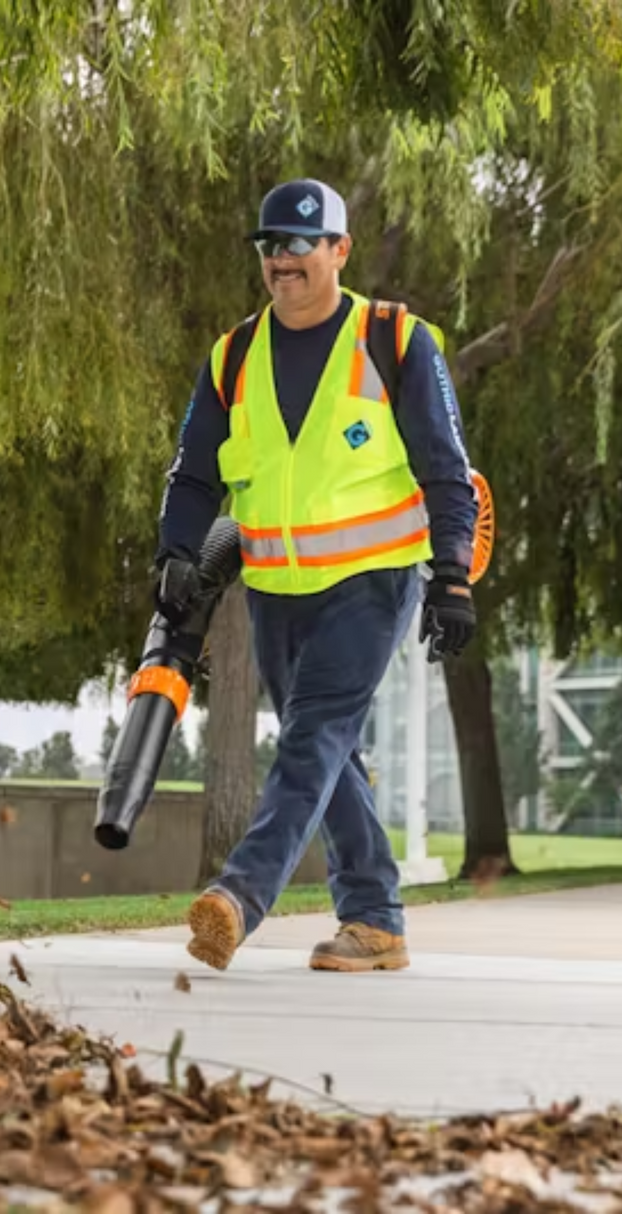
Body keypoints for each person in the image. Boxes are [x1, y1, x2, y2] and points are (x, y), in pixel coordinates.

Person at [155, 178, 478, 974]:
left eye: (302, 243)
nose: (284, 259)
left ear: (340, 249)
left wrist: (453, 577)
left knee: (312, 737)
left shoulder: (396, 340)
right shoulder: (233, 356)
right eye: (271, 245)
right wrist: (176, 551)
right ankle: (375, 920)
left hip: (372, 582)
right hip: (274, 589)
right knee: (329, 754)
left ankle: (237, 898)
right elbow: (195, 473)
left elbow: (447, 470)